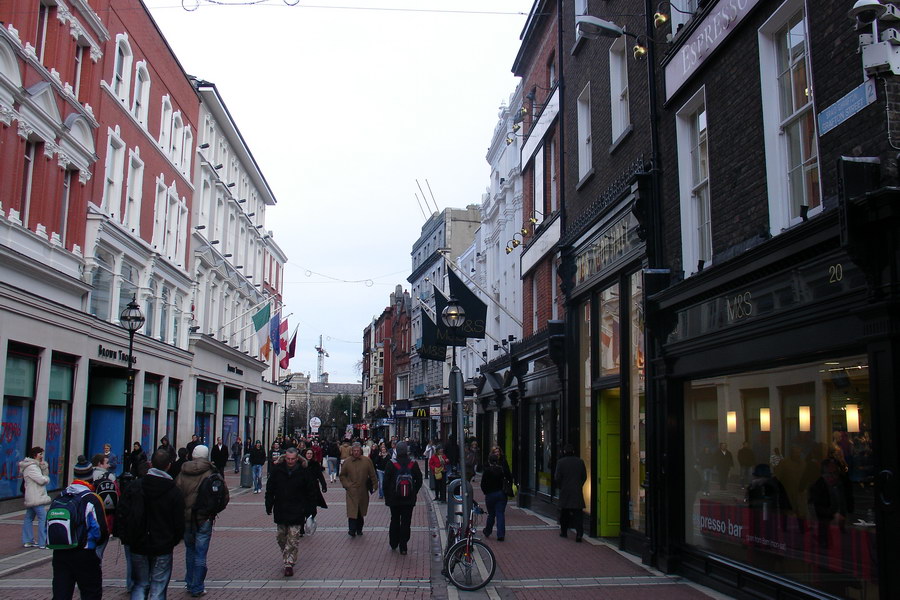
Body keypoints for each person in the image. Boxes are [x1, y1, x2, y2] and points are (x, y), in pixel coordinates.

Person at [119, 449, 185, 600]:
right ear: (168, 466)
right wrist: (173, 540)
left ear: (151, 464)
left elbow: (122, 513)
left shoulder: (135, 486)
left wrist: (127, 537)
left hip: (138, 543)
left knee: (140, 584)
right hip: (162, 544)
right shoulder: (173, 491)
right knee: (158, 587)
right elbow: (179, 522)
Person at [50, 456, 110, 600]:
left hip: (61, 552)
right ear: (90, 477)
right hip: (85, 552)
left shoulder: (60, 497)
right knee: (91, 593)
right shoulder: (92, 498)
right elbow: (101, 531)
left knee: (61, 594)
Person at [175, 444, 228, 598]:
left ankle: (190, 582)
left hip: (186, 518)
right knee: (200, 553)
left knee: (190, 550)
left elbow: (176, 495)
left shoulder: (182, 472)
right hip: (204, 518)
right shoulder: (211, 472)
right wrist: (213, 511)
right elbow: (223, 496)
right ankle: (197, 586)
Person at [265, 447, 317, 576]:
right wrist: (268, 504)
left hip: (297, 508)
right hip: (281, 508)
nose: (290, 461)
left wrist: (310, 509)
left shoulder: (304, 471)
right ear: (285, 457)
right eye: (288, 459)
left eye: (293, 459)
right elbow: (270, 488)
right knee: (281, 537)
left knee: (293, 537)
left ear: (297, 458)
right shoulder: (277, 470)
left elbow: (311, 491)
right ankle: (287, 554)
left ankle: (289, 562)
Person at [383, 441, 422, 555]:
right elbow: (419, 480)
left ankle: (393, 542)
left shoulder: (391, 463)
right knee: (406, 521)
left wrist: (387, 496)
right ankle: (403, 545)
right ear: (407, 451)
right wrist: (414, 491)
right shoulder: (413, 464)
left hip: (394, 499)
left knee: (394, 519)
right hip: (409, 499)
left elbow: (385, 482)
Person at [339, 442, 378, 536]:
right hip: (351, 491)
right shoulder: (347, 462)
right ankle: (352, 530)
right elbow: (342, 475)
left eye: (358, 450)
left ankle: (359, 529)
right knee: (352, 511)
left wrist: (375, 485)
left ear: (360, 451)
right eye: (354, 451)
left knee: (360, 511)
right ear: (351, 451)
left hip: (363, 490)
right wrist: (347, 485)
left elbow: (372, 474)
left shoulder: (367, 461)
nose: (356, 452)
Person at [20, 446, 51, 549]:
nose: (42, 456)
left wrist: (44, 467)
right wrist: (46, 478)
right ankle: (43, 542)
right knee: (43, 517)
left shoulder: (36, 466)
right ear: (35, 455)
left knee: (29, 517)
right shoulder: (31, 467)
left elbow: (44, 474)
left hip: (33, 496)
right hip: (35, 496)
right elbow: (41, 480)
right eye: (40, 454)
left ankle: (28, 540)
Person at [555, 444, 587, 541]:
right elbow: (584, 476)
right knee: (578, 514)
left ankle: (564, 532)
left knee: (564, 513)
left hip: (565, 491)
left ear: (564, 452)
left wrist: (561, 486)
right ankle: (579, 534)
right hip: (576, 491)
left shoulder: (560, 462)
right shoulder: (580, 462)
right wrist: (579, 485)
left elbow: (557, 478)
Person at [480, 453, 511, 541]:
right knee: (500, 514)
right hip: (501, 494)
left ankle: (488, 531)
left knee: (491, 514)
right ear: (497, 461)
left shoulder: (487, 471)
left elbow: (483, 484)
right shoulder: (501, 470)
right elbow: (509, 477)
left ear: (489, 461)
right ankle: (500, 534)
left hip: (490, 495)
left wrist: (486, 492)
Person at [303, 447, 329, 518]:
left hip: (313, 488)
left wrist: (324, 485)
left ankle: (310, 520)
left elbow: (320, 476)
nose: (309, 455)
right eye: (308, 453)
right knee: (303, 508)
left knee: (313, 508)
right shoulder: (301, 464)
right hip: (303, 488)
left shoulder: (315, 464)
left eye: (311, 454)